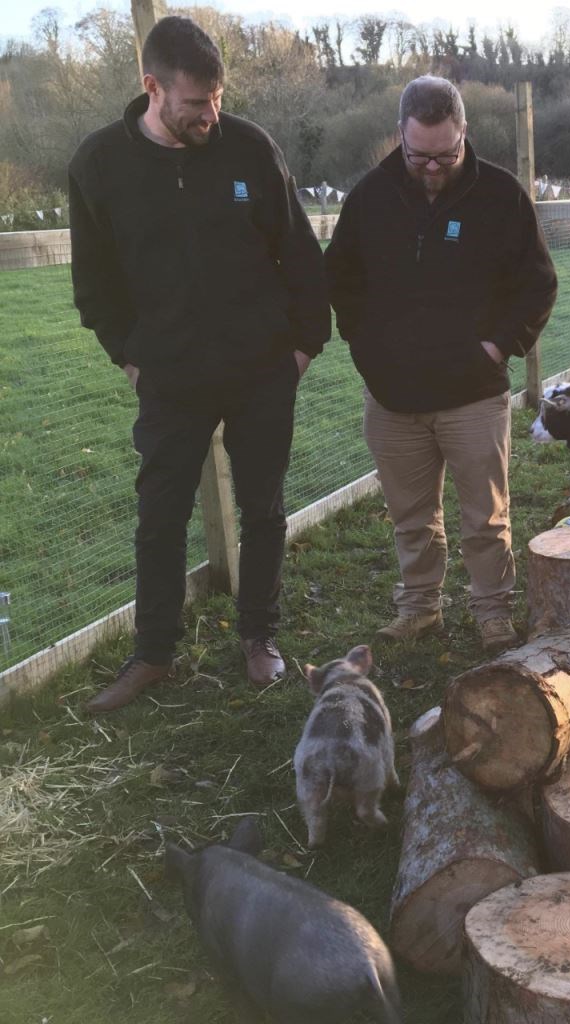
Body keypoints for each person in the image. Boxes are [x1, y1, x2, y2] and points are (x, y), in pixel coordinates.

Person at [68, 16, 330, 712]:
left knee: (263, 507)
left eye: (217, 98)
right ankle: (152, 654)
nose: (211, 114)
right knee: (160, 515)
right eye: (194, 104)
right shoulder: (99, 166)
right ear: (152, 88)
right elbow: (94, 287)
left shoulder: (249, 149)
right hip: (171, 379)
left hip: (261, 370)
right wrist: (132, 360)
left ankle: (258, 639)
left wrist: (303, 346)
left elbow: (300, 254)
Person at [324, 76, 557, 653]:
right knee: (411, 515)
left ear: (464, 134)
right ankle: (421, 604)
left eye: (445, 154)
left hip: (473, 394)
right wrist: (368, 351)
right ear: (399, 137)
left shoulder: (501, 197)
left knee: (486, 517)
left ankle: (493, 613)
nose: (431, 167)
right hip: (393, 397)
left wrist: (497, 347)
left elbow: (538, 285)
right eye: (417, 155)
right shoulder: (370, 198)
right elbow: (341, 281)